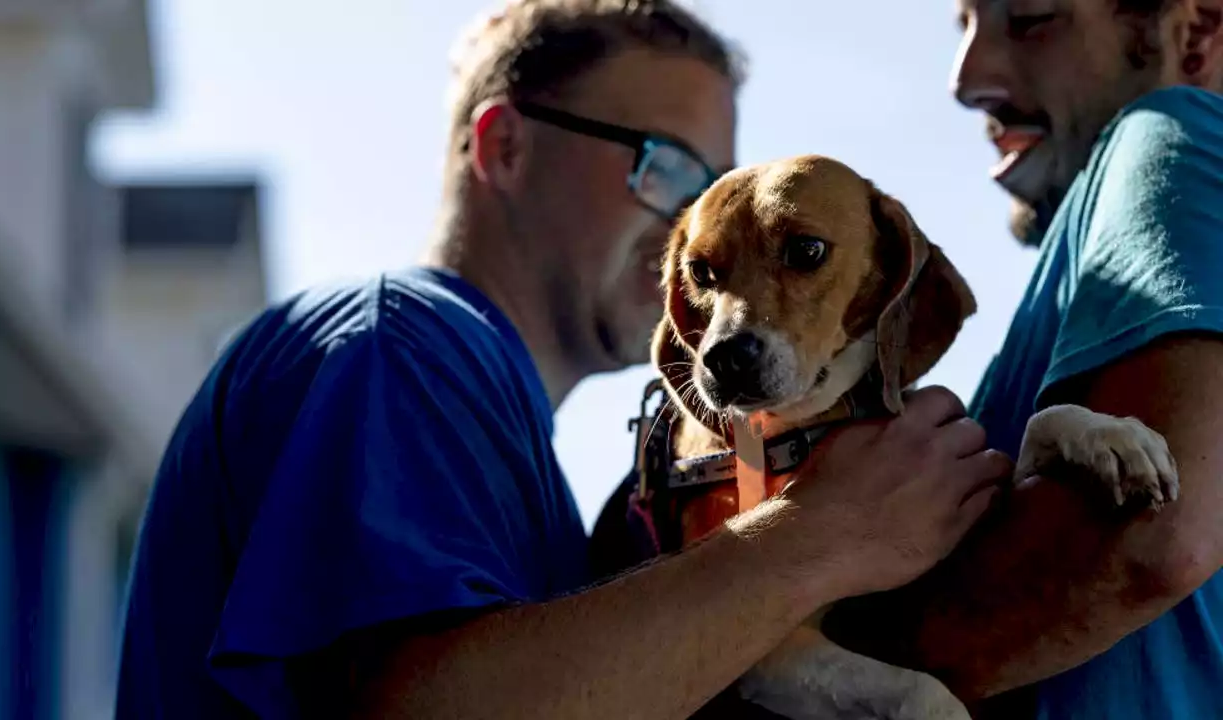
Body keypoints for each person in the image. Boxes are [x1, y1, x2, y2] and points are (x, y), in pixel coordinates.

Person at [113, 1, 1010, 718]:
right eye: (665, 170)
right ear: (505, 146)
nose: (697, 232)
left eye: (713, 189)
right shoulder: (397, 347)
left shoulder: (499, 431)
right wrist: (821, 536)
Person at [825, 1, 1223, 718]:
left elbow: (1157, 536)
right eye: (966, 26)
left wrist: (785, 658)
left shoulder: (1171, 131)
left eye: (1032, 18)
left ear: (1194, 34)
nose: (964, 78)